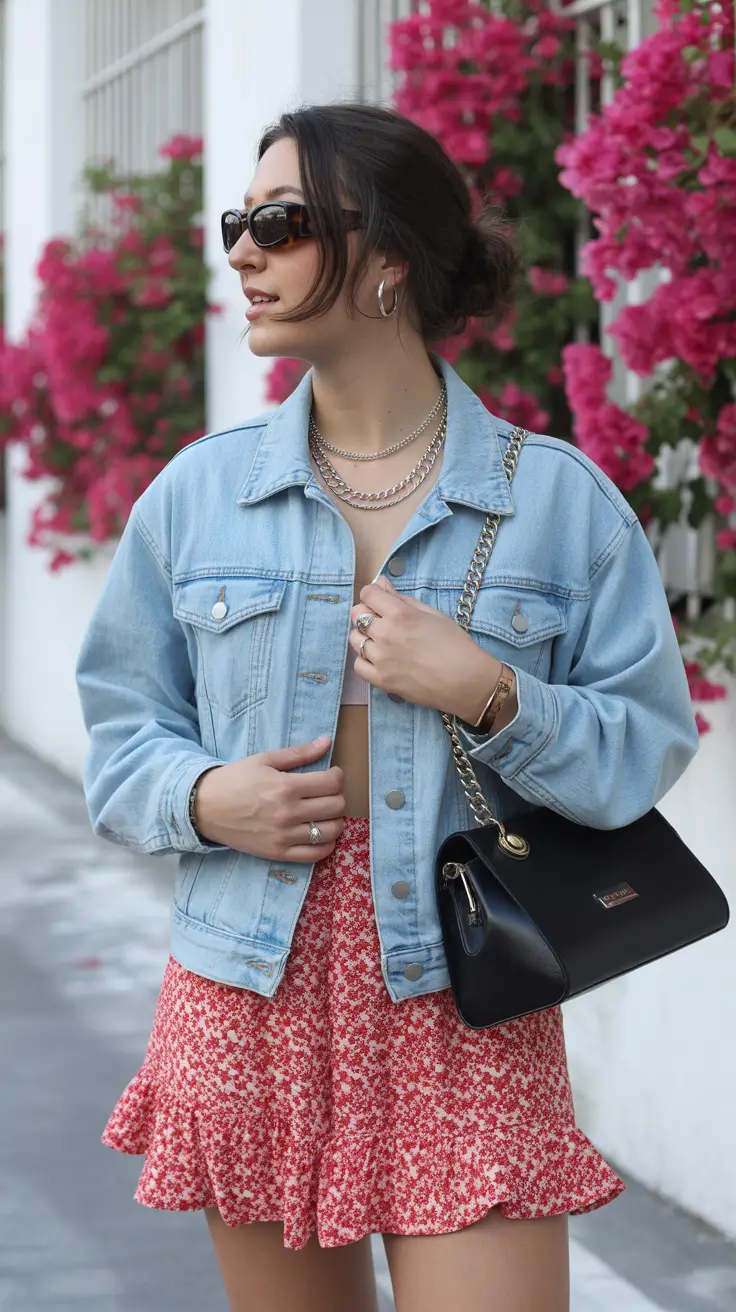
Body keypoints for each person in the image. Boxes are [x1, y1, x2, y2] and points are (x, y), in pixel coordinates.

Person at [76, 103, 699, 1312]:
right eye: (238, 223)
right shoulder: (198, 496)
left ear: (391, 254)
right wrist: (205, 796)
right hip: (247, 981)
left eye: (281, 223)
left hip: (464, 983)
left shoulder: (555, 502)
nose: (242, 251)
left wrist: (487, 689)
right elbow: (121, 731)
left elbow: (641, 752)